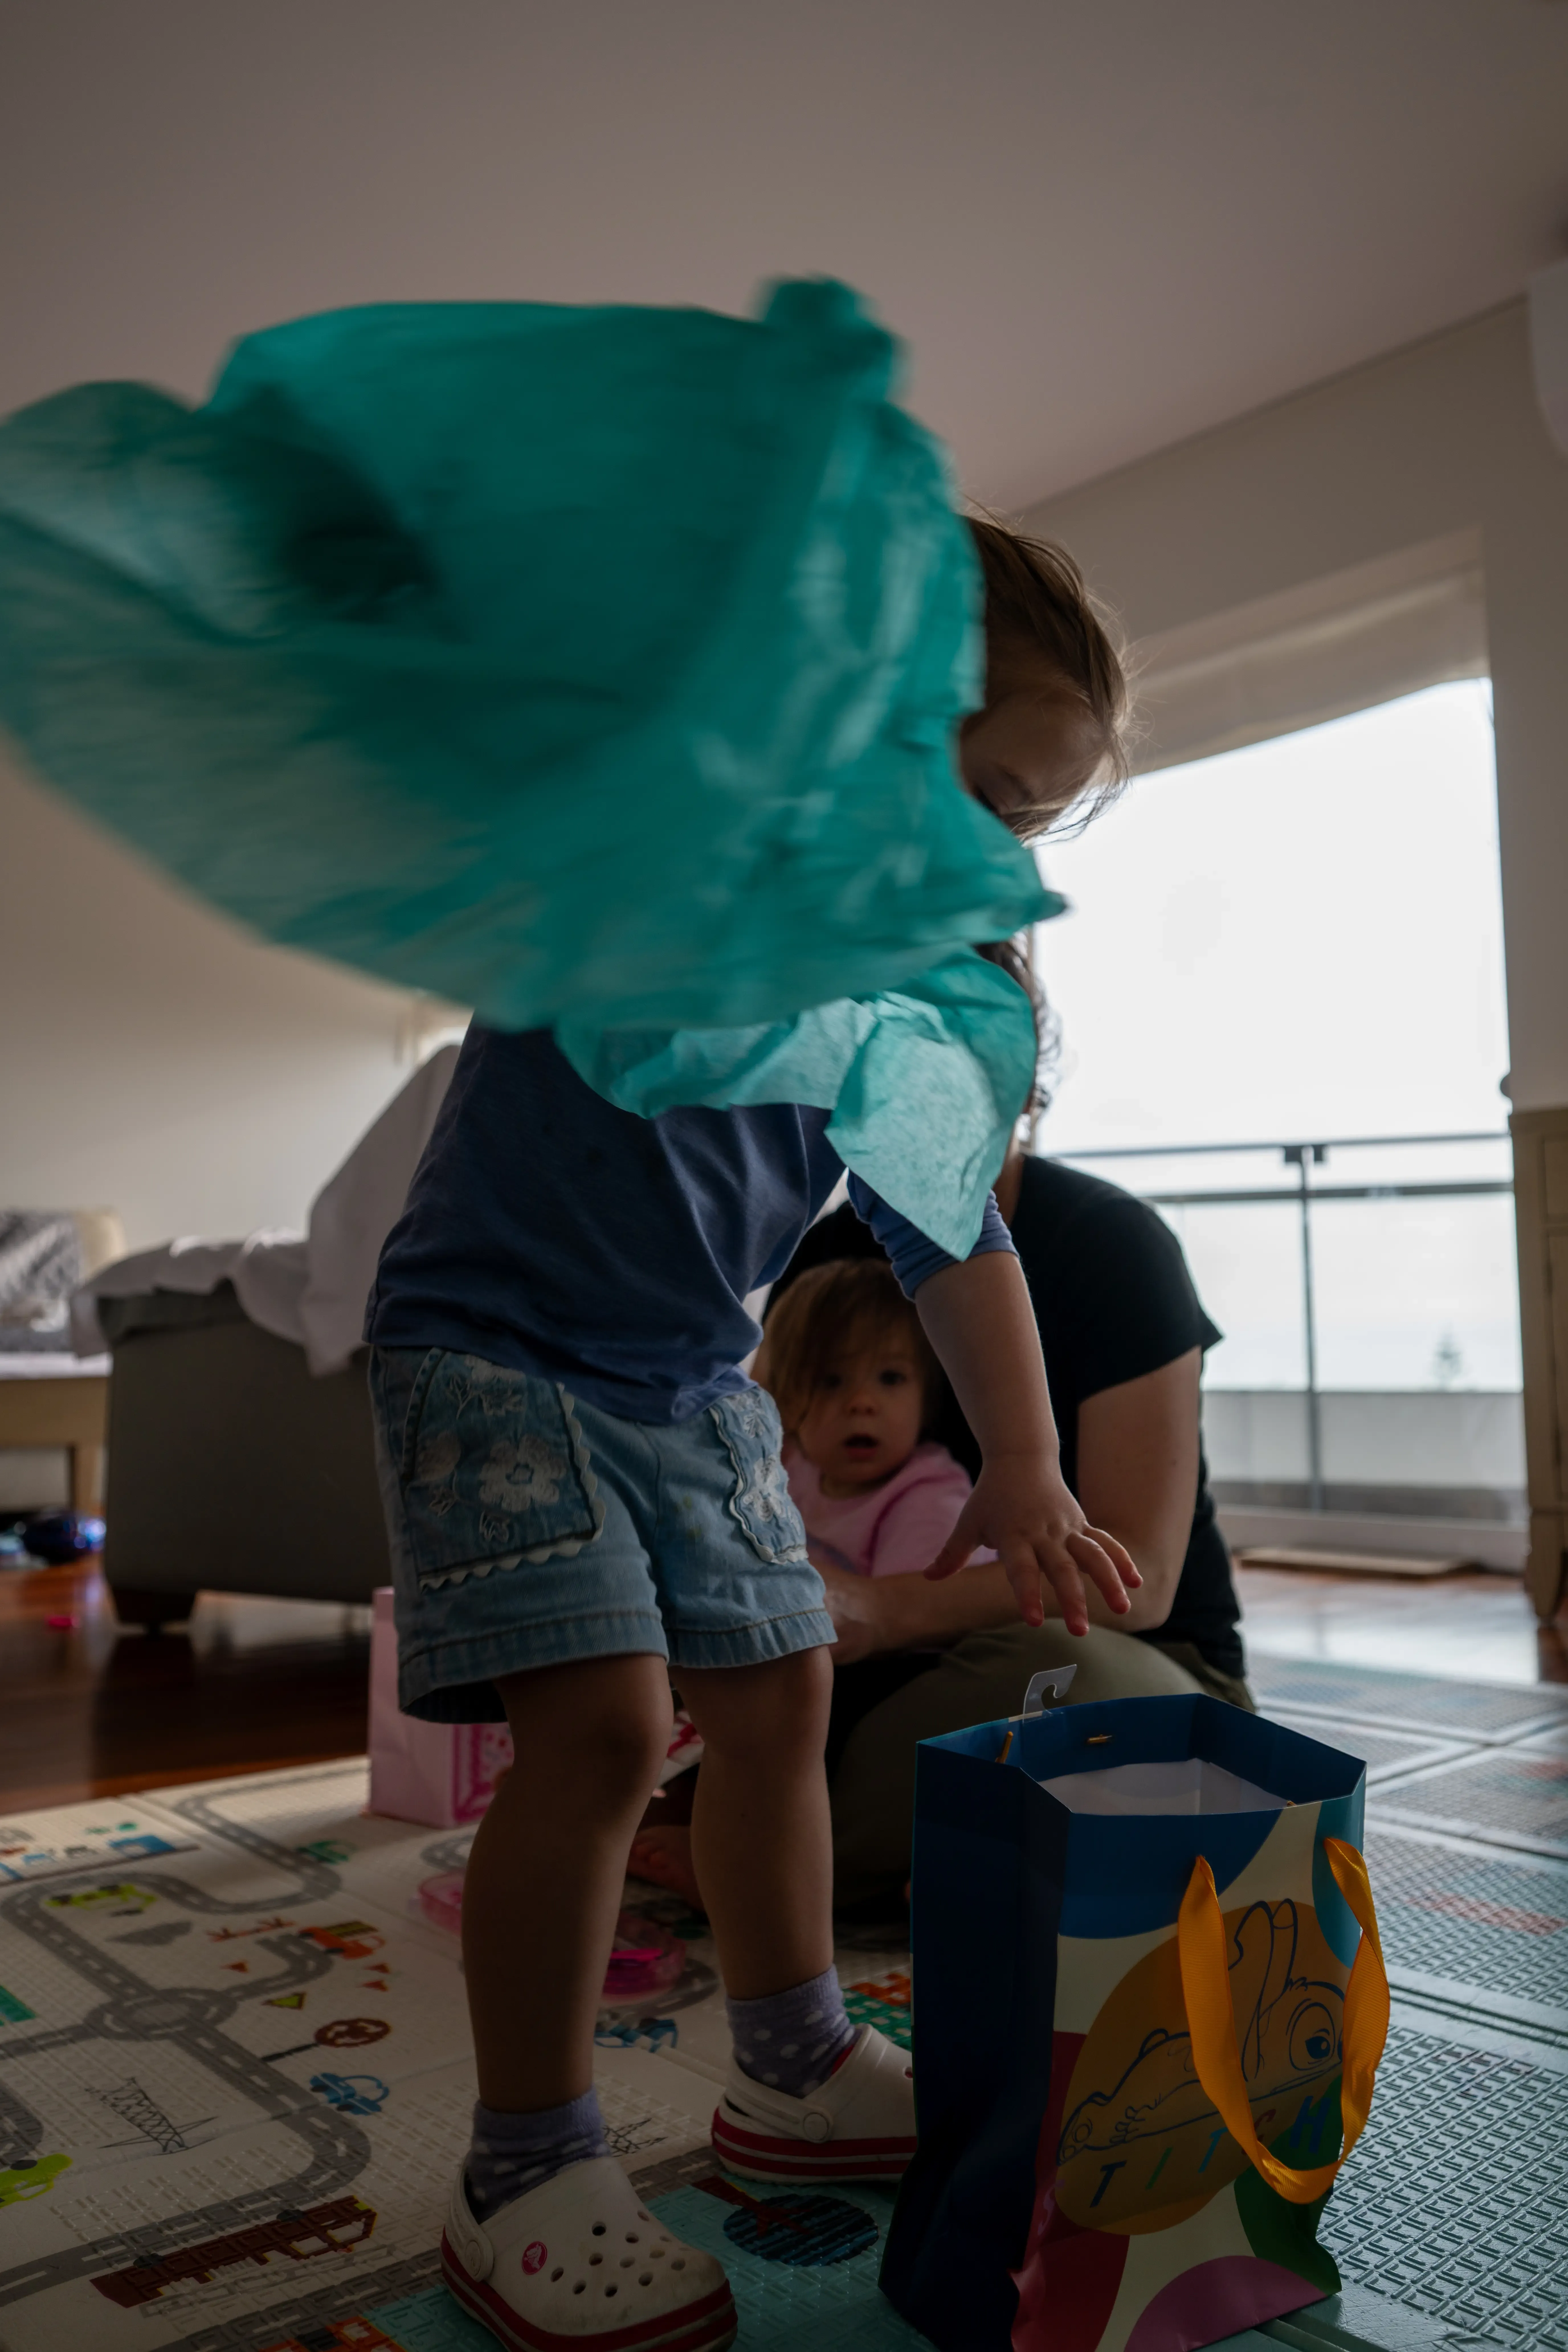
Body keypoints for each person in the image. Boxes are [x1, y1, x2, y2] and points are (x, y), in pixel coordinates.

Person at [365, 523, 1138, 2352]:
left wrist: (1020, 1463)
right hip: (492, 1345)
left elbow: (957, 1236)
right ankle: (522, 2168)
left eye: (1023, 823)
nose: (987, 851)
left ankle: (789, 2060)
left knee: (780, 1689)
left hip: (691, 1371)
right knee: (612, 1722)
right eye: (972, 789)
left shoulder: (904, 998)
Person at [779, 1111, 1253, 1915]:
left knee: (1074, 1682)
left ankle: (781, 1861)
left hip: (1118, 1658)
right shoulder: (833, 1257)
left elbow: (1134, 1587)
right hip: (889, 1674)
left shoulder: (1108, 1243)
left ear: (1022, 1086)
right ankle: (873, 1852)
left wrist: (879, 1610)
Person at [757, 1256, 982, 1579]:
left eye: (890, 1378)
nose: (861, 1403)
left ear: (927, 1399)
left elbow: (907, 1619)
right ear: (788, 1402)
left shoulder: (929, 1500)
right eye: (831, 1381)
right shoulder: (788, 1466)